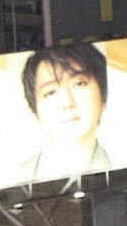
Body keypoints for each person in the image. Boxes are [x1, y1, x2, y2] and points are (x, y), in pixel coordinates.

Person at [16, 42, 117, 183]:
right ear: (35, 112)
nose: (68, 103)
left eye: (79, 84)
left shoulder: (121, 167)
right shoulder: (15, 177)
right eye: (51, 92)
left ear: (103, 96)